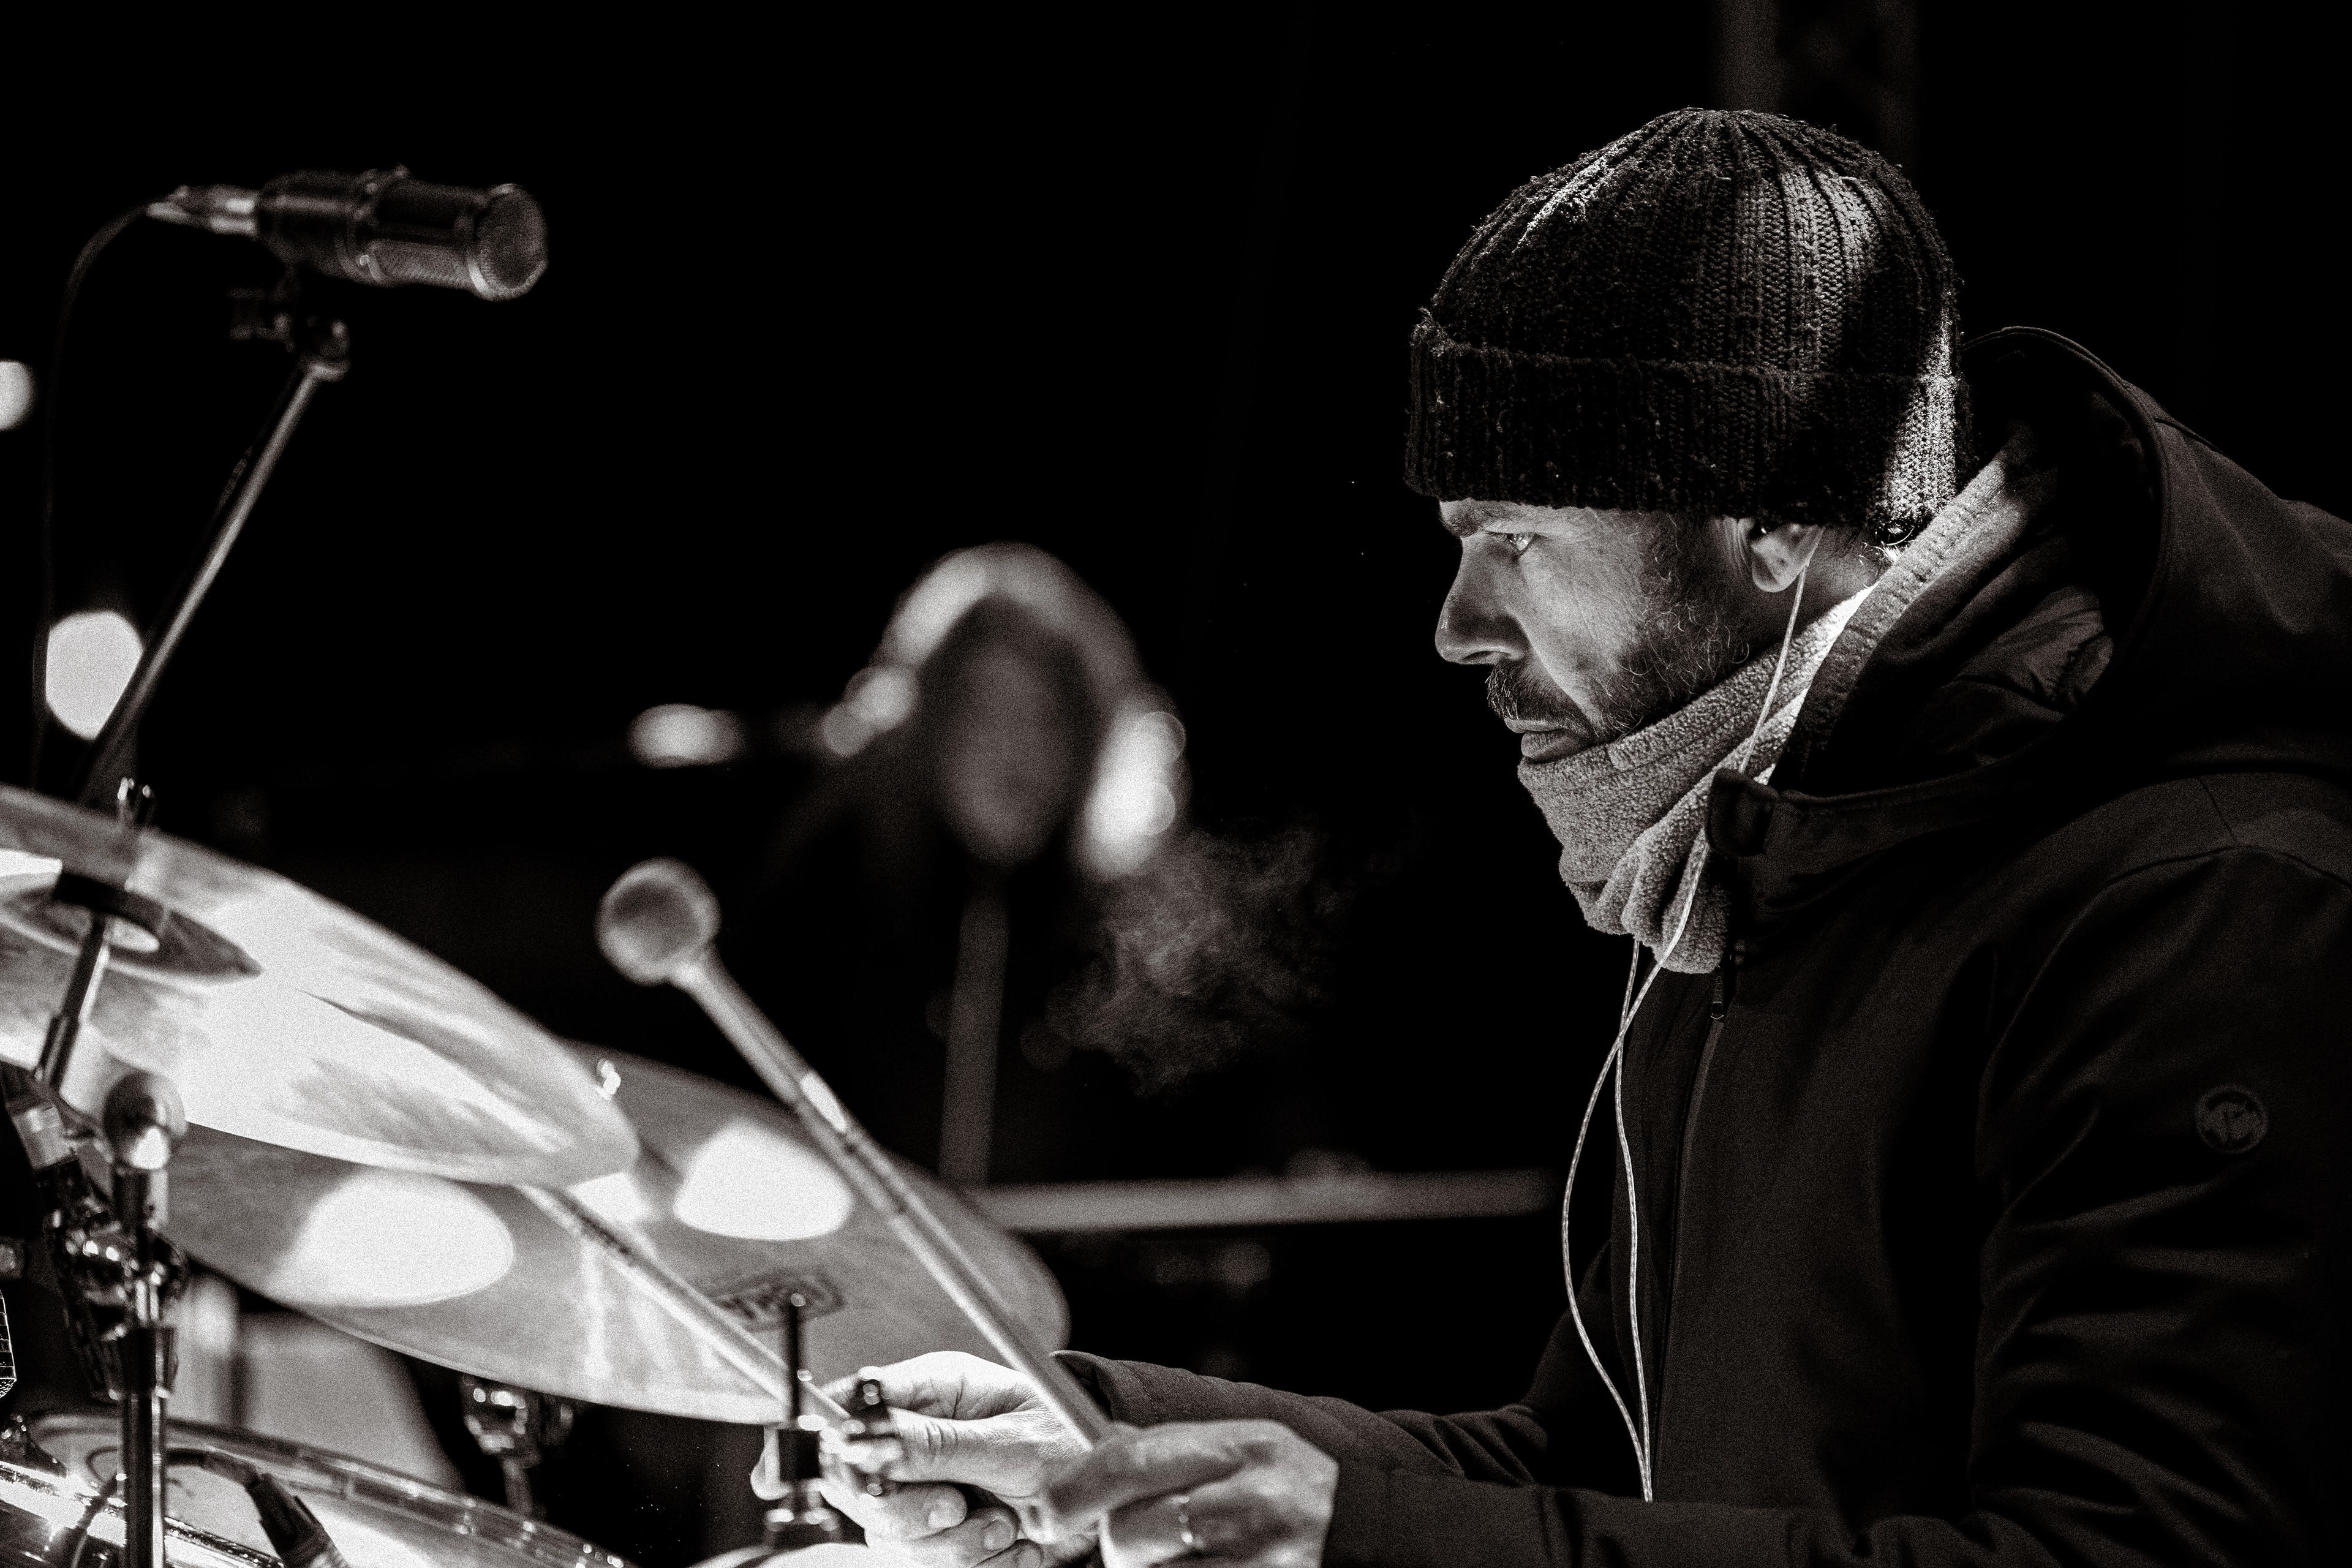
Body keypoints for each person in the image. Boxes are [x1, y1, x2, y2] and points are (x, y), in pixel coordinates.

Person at [817, 109, 2352, 1566]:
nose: (1458, 624)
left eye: (1518, 537)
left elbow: (2124, 1550)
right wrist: (1096, 1441)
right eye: (1459, 538)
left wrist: (1355, 1539)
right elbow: (1596, 1468)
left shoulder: (2201, 902)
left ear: (1774, 520)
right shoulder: (1748, 858)